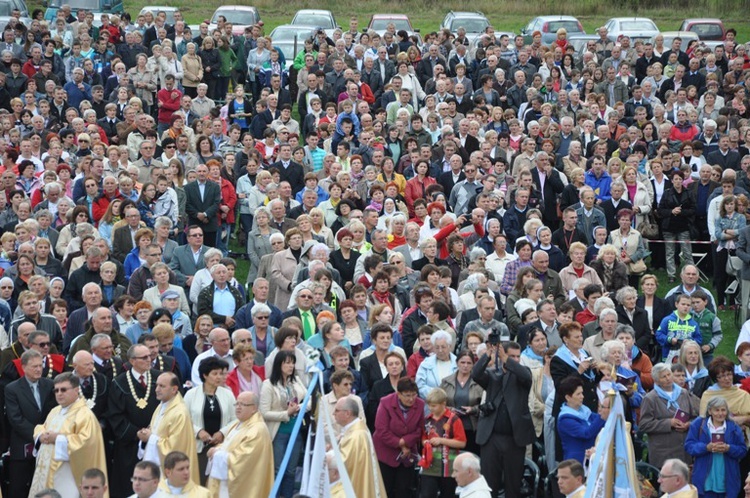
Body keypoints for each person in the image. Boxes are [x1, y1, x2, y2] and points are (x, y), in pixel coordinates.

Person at [28, 372, 107, 497]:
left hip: (67, 473)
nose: (59, 393)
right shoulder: (55, 411)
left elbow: (86, 444)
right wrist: (40, 436)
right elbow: (41, 428)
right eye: (56, 390)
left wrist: (58, 439)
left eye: (63, 390)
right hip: (45, 472)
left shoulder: (85, 414)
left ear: (76, 390)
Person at [472, 341, 534, 498]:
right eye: (511, 356)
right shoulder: (493, 375)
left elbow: (525, 376)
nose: (515, 360)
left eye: (517, 357)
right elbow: (476, 374)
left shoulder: (523, 373)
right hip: (491, 437)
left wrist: (506, 359)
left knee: (513, 485)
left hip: (515, 438)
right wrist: (488, 354)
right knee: (489, 484)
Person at [5, 350, 56, 497]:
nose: (39, 369)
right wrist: (38, 435)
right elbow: (15, 419)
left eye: (40, 365)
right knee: (19, 489)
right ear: (24, 367)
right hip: (22, 446)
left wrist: (46, 435)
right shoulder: (12, 389)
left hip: (46, 446)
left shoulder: (50, 385)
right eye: (34, 366)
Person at [205, 391, 274, 498]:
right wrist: (217, 449)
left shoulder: (257, 430)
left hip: (244, 485)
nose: (238, 407)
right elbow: (227, 445)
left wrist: (216, 453)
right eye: (237, 404)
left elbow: (242, 460)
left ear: (254, 408)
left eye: (243, 404)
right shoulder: (238, 424)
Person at [259, 350, 308, 498]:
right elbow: (264, 412)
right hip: (278, 432)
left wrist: (298, 408)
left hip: (296, 432)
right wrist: (286, 414)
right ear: (278, 365)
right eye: (287, 362)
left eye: (292, 362)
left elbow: (309, 399)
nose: (291, 366)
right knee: (278, 469)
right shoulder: (268, 384)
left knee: (291, 470)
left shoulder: (296, 381)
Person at [138, 372, 200, 485]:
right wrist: (145, 436)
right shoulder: (162, 406)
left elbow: (176, 447)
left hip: (170, 472)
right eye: (156, 385)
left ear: (174, 389)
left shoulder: (180, 413)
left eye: (162, 386)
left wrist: (150, 437)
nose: (157, 389)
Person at [183, 357, 235, 484]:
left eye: (221, 373)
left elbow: (235, 420)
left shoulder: (228, 394)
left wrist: (222, 433)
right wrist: (199, 431)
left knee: (220, 484)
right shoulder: (191, 394)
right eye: (214, 374)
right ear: (205, 375)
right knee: (199, 482)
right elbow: (184, 418)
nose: (219, 377)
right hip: (199, 448)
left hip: (222, 447)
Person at [639, 362, 700, 469]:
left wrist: (688, 424)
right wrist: (669, 423)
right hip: (663, 453)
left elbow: (695, 417)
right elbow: (644, 425)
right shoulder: (650, 398)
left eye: (669, 374)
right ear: (657, 381)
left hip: (684, 451)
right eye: (663, 377)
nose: (668, 378)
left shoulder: (684, 393)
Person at [686, 396, 748, 498]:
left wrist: (729, 448)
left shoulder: (733, 426)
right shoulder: (698, 424)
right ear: (710, 411)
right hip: (704, 481)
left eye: (723, 410)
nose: (720, 413)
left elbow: (742, 450)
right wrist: (706, 447)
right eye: (717, 410)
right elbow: (689, 446)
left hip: (728, 479)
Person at [374, 376, 424, 498]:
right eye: (407, 395)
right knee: (386, 489)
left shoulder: (420, 404)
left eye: (414, 394)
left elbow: (419, 429)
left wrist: (405, 442)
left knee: (405, 490)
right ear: (399, 394)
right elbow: (381, 430)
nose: (411, 399)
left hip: (408, 454)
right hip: (386, 453)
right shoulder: (385, 402)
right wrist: (400, 443)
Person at [335, 395, 389, 498]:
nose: (333, 414)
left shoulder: (356, 435)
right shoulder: (357, 430)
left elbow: (343, 461)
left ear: (347, 413)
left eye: (337, 411)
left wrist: (327, 455)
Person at [419, 387, 467, 498]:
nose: (430, 408)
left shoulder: (454, 419)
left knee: (448, 495)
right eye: (429, 405)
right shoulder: (427, 420)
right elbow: (423, 439)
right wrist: (425, 442)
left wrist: (441, 440)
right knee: (427, 494)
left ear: (443, 403)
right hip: (429, 466)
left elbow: (462, 443)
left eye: (434, 406)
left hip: (448, 468)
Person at [556, 375, 606, 463]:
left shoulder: (585, 411)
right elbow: (586, 433)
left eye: (582, 393)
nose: (582, 396)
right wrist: (603, 412)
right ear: (568, 397)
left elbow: (602, 421)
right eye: (578, 394)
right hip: (575, 462)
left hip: (590, 458)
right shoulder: (565, 419)